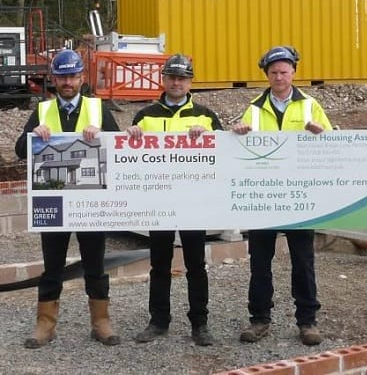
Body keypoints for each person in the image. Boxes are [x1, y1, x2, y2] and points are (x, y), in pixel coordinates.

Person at [15, 49, 122, 348]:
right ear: (54, 78)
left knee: (95, 264)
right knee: (53, 265)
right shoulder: (43, 111)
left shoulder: (99, 110)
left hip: (90, 201)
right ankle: (45, 325)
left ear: (82, 78)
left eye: (73, 76)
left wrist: (103, 135)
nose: (67, 82)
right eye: (62, 76)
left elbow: (120, 150)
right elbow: (21, 149)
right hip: (54, 201)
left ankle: (101, 321)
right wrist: (33, 135)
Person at [232, 45, 331, 346]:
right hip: (264, 196)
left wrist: (321, 134)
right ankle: (259, 319)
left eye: (284, 71)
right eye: (274, 72)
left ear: (293, 73)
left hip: (299, 195)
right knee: (260, 262)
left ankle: (307, 321)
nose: (279, 76)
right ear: (267, 74)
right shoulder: (253, 107)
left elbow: (334, 143)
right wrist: (237, 131)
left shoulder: (310, 106)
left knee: (303, 261)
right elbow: (237, 141)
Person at [127, 54, 222, 346]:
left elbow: (224, 157)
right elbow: (132, 159)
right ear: (163, 79)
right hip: (160, 201)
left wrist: (209, 136)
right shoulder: (145, 115)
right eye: (172, 77)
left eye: (182, 78)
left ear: (190, 82)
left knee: (196, 264)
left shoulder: (205, 115)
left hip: (194, 202)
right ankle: (158, 321)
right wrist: (131, 135)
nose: (177, 82)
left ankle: (200, 324)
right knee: (159, 264)